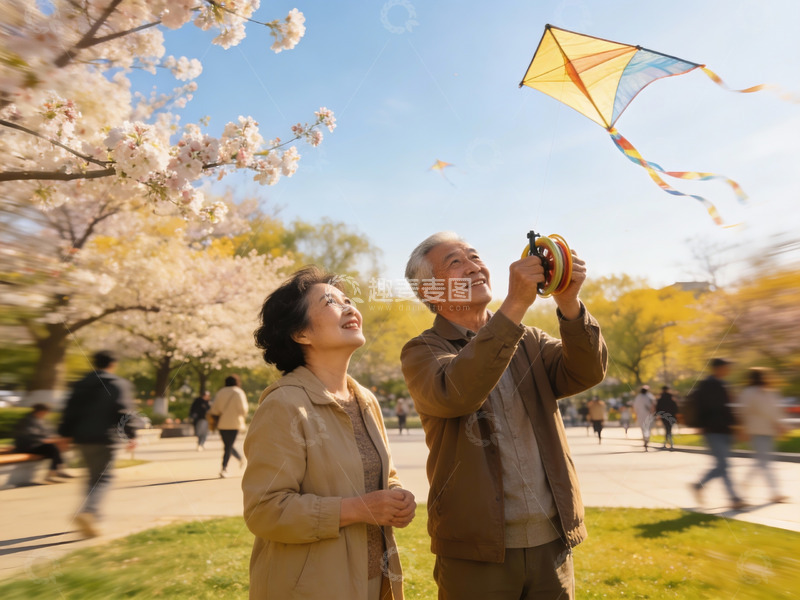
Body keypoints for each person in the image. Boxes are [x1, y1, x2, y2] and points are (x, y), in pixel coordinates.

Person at [401, 232, 607, 600]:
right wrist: (515, 304)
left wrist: (568, 301)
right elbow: (456, 392)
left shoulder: (529, 339)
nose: (473, 267)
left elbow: (587, 371)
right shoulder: (422, 351)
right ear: (430, 292)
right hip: (476, 550)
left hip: (552, 543)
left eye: (475, 256)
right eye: (455, 262)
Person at [244, 266, 415, 599]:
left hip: (375, 584)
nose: (350, 308)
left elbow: (382, 475)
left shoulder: (365, 399)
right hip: (311, 589)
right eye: (331, 303)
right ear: (301, 334)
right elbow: (264, 511)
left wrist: (396, 496)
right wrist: (357, 509)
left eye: (348, 301)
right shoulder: (284, 404)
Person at [59, 350, 138, 538]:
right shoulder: (118, 384)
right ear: (113, 364)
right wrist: (131, 435)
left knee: (92, 476)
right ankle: (90, 512)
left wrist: (64, 435)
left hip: (82, 438)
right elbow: (124, 412)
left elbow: (69, 411)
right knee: (103, 478)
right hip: (105, 438)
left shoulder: (80, 383)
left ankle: (92, 516)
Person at [689, 358, 747, 510]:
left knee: (722, 465)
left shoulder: (723, 384)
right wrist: (700, 426)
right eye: (726, 367)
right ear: (718, 368)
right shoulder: (708, 385)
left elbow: (729, 409)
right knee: (723, 465)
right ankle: (734, 498)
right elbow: (702, 408)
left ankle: (698, 486)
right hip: (713, 431)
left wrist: (737, 427)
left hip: (724, 431)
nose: (728, 370)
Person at [739, 367, 788, 503]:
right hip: (757, 431)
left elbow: (776, 410)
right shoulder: (751, 392)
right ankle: (775, 493)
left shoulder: (769, 392)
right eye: (766, 375)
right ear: (760, 377)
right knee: (765, 462)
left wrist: (781, 424)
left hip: (768, 431)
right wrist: (780, 424)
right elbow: (747, 412)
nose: (769, 378)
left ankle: (746, 482)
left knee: (762, 461)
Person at [13, 403, 72, 483]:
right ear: (41, 411)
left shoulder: (42, 420)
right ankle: (55, 472)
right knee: (53, 448)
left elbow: (50, 432)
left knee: (57, 447)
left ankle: (57, 471)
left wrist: (54, 438)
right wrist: (45, 440)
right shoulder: (27, 420)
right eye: (46, 412)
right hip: (27, 446)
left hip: (38, 445)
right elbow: (29, 436)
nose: (47, 414)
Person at [208, 375, 248, 478]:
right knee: (228, 445)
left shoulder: (220, 392)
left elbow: (214, 409)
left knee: (227, 445)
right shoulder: (239, 392)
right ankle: (228, 466)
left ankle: (225, 467)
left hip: (222, 424)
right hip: (235, 423)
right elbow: (243, 410)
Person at [655, 385, 679, 450]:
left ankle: (667, 443)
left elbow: (658, 408)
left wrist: (658, 415)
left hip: (664, 416)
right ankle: (670, 443)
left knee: (667, 429)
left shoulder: (661, 399)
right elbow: (675, 408)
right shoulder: (671, 398)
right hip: (671, 416)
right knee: (669, 429)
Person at [633, 385, 656, 451]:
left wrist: (636, 413)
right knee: (648, 428)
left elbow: (635, 406)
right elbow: (654, 405)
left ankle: (645, 439)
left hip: (641, 415)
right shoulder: (650, 396)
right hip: (648, 415)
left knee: (643, 428)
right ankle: (647, 439)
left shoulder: (638, 397)